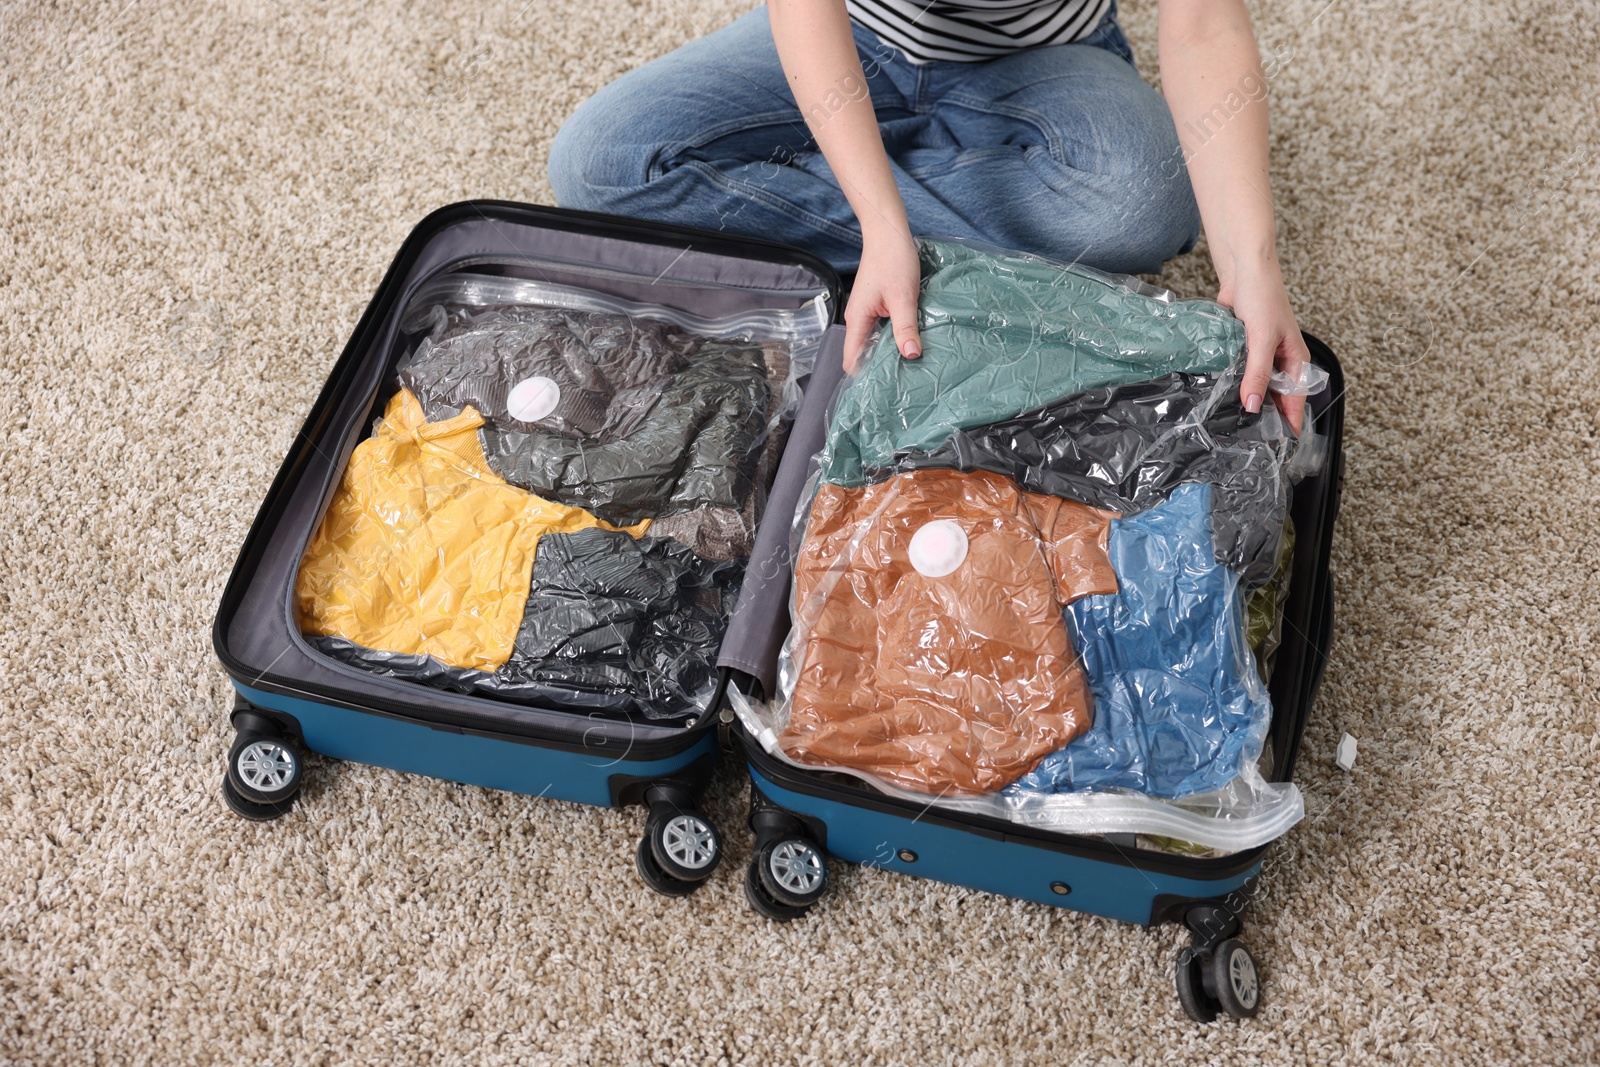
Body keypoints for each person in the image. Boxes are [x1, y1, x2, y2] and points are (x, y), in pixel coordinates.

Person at [548, 0, 1307, 427]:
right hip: (856, 36)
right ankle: (935, 181)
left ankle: (861, 169)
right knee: (601, 164)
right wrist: (880, 222)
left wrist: (1254, 263)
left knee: (1148, 202)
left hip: (1047, 60)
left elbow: (1203, 22)